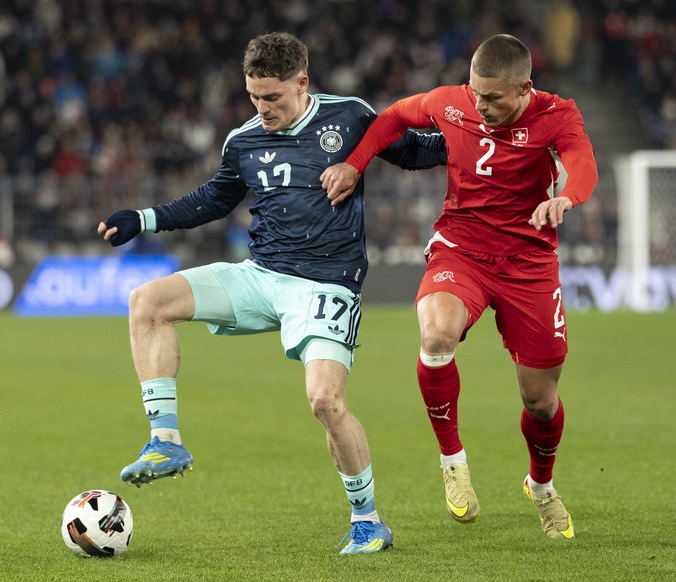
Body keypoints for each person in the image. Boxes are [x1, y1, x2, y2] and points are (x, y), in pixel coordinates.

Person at [97, 32, 446, 554]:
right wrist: (145, 218)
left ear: (302, 83)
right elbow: (214, 199)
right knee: (147, 301)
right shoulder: (243, 140)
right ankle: (164, 440)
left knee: (325, 401)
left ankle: (367, 520)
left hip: (327, 283)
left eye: (273, 97)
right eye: (254, 96)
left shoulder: (350, 116)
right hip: (261, 276)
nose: (262, 108)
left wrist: (478, 137)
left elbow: (415, 152)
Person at [321, 33, 598, 540]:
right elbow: (394, 117)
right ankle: (453, 460)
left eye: (493, 97)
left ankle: (541, 485)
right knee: (435, 337)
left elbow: (582, 161)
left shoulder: (557, 115)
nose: (481, 105)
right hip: (461, 248)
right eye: (475, 92)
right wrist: (355, 164)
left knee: (540, 401)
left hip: (529, 262)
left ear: (524, 89)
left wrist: (568, 197)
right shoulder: (452, 102)